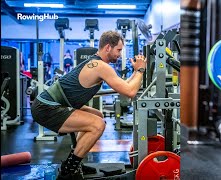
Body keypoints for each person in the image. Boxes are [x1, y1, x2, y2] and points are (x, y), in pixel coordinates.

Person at [31, 31, 147, 180]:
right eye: (118, 50)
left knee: (97, 115)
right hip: (47, 107)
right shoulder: (100, 66)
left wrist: (136, 72)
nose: (119, 54)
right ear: (107, 48)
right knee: (97, 125)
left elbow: (124, 86)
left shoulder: (99, 64)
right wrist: (140, 70)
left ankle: (75, 161)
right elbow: (130, 92)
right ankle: (68, 172)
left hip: (55, 104)